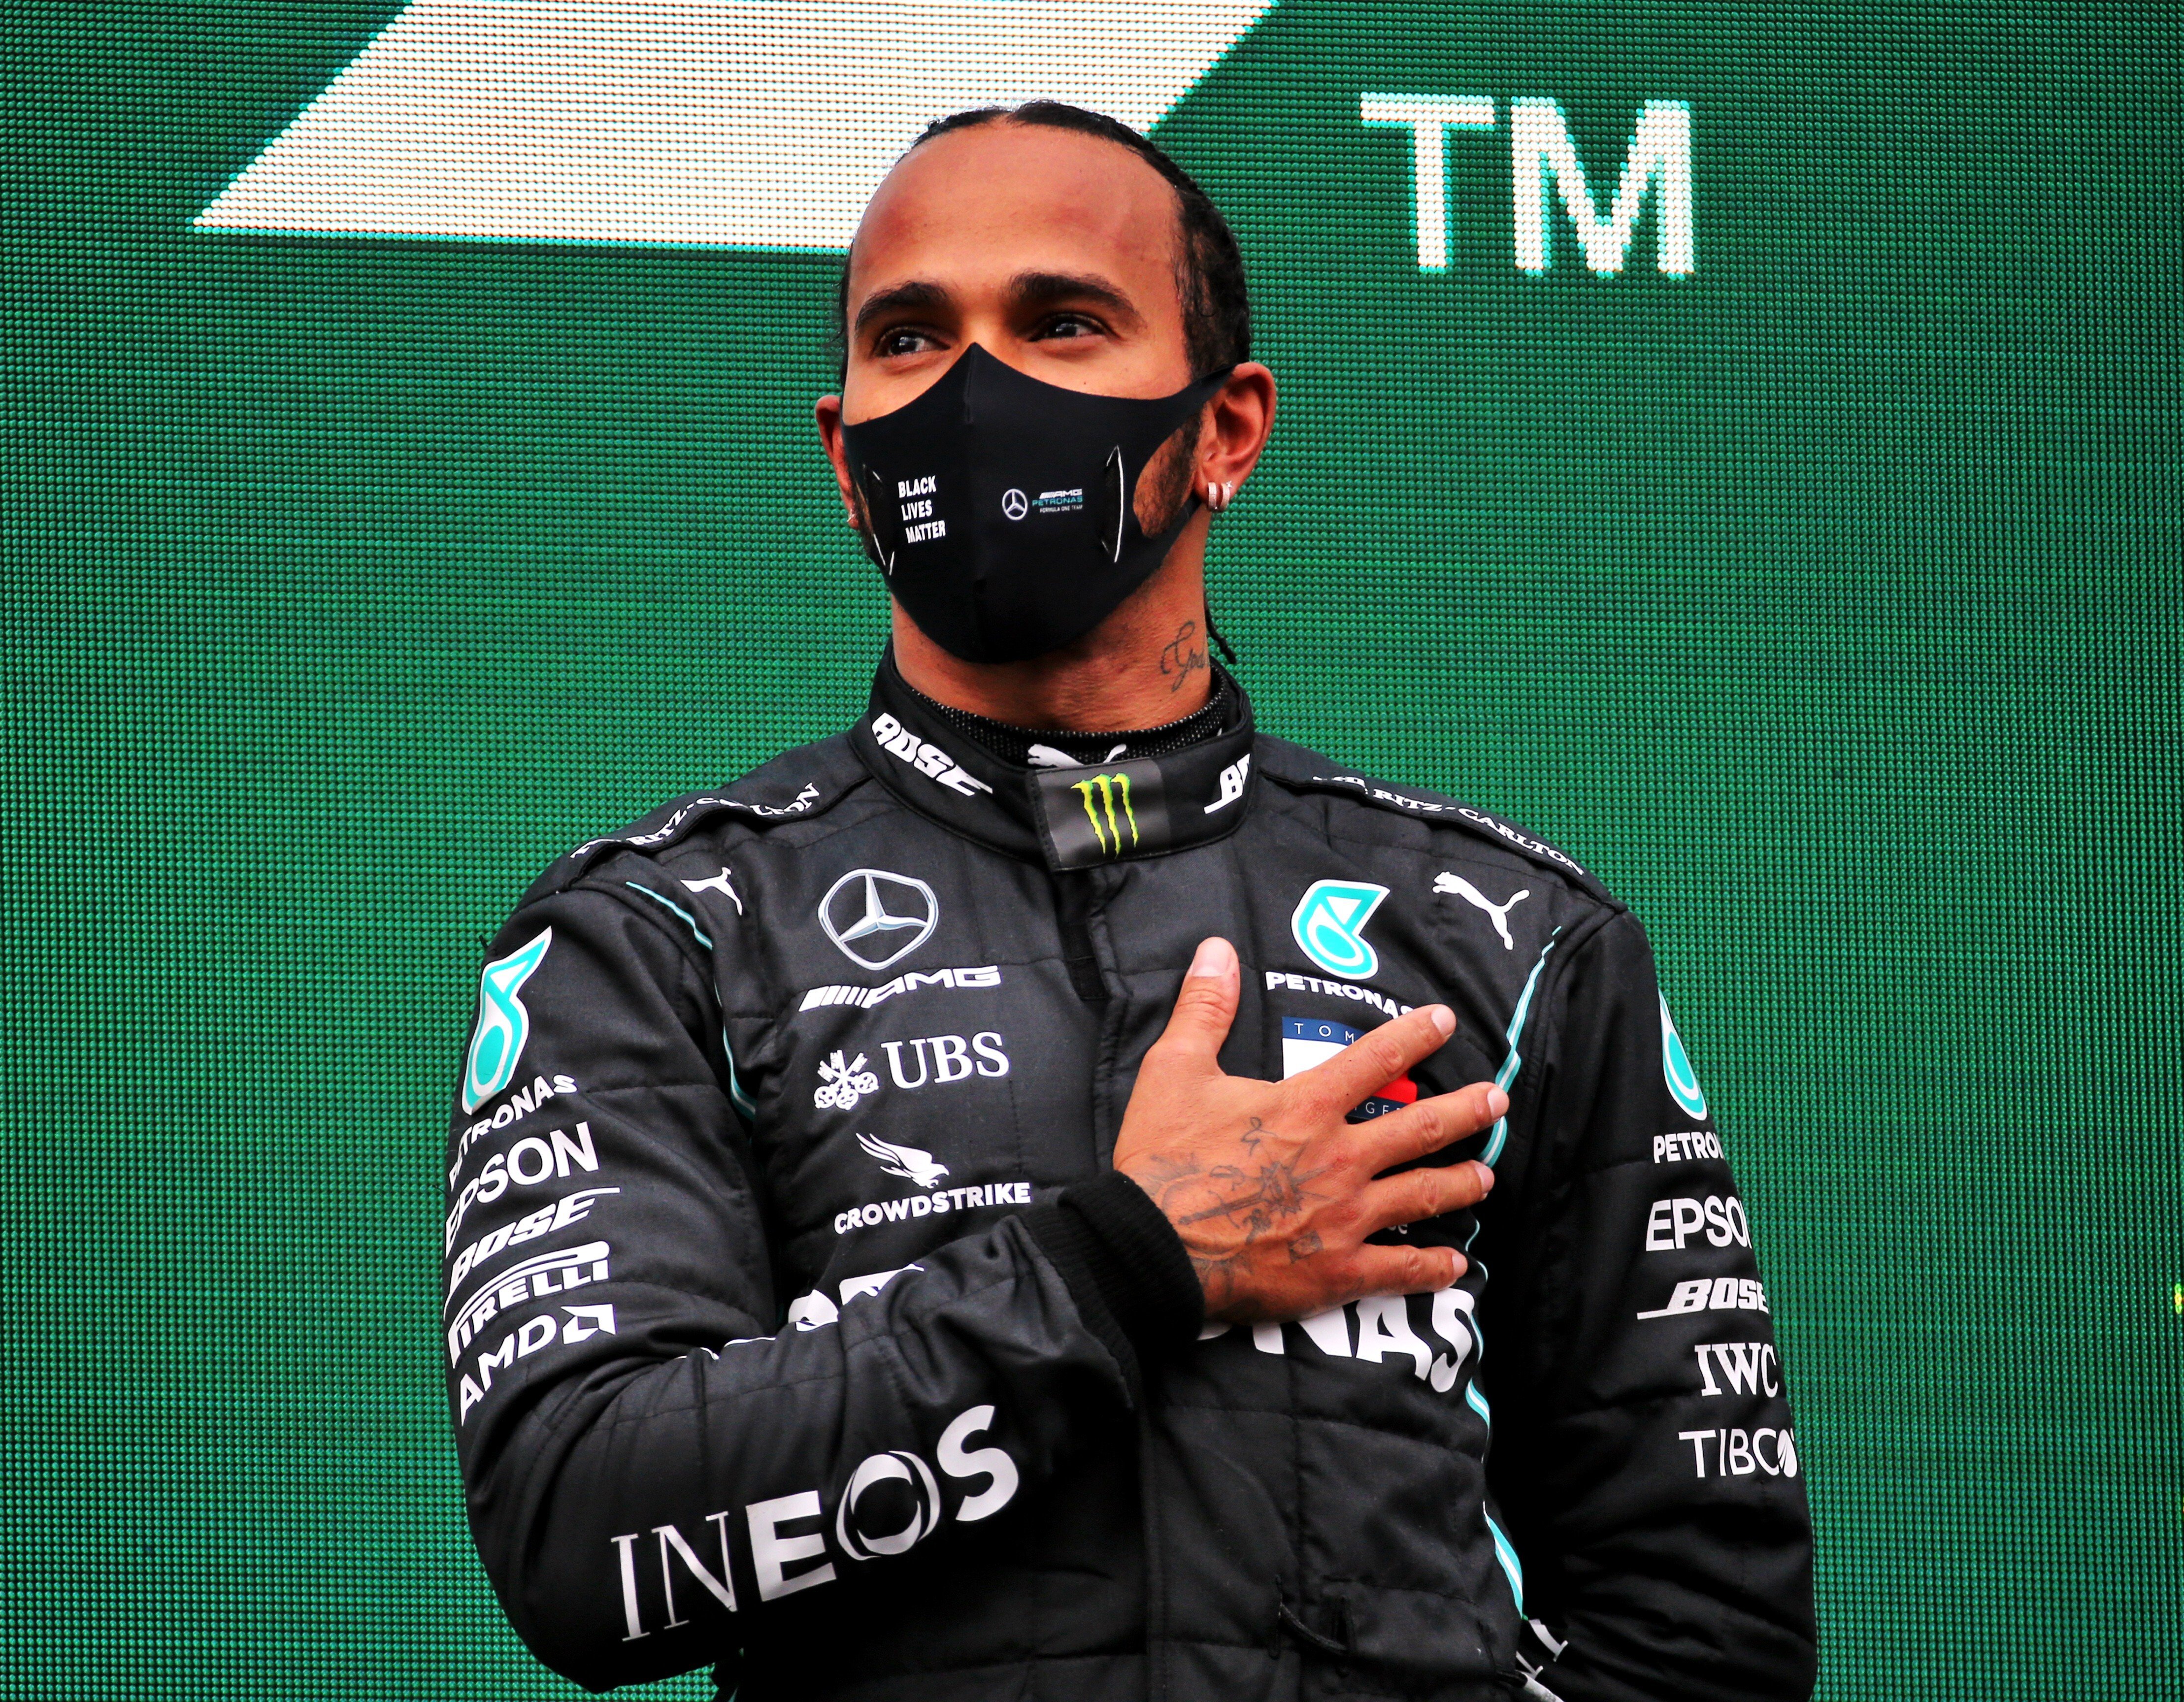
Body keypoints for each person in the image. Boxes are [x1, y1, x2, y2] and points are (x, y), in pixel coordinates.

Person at [442, 101, 1814, 1702]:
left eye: (1062, 323)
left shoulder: (1512, 940)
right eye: (909, 339)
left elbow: (1707, 1626)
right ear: (843, 458)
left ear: (1226, 430)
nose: (973, 390)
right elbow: (578, 1538)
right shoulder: (661, 932)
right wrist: (1133, 1262)